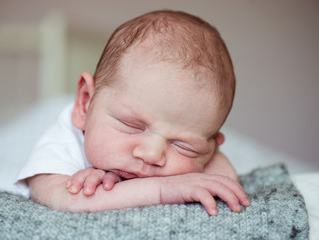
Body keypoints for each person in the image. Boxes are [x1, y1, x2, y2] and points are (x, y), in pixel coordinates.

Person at [16, 10, 250, 216]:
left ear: (210, 147)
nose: (151, 154)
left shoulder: (202, 153)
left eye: (182, 145)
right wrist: (164, 189)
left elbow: (223, 180)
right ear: (85, 103)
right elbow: (64, 199)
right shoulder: (62, 141)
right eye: (132, 125)